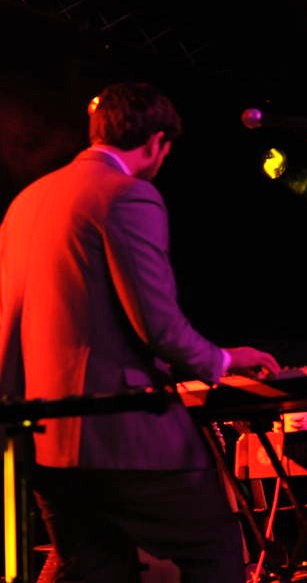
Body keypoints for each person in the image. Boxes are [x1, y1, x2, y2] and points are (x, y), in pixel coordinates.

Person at [0, 82, 281, 582]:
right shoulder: (128, 194)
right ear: (156, 143)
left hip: (41, 441)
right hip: (117, 433)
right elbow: (159, 326)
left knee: (91, 568)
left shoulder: (26, 201)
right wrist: (223, 360)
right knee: (215, 547)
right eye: (166, 151)